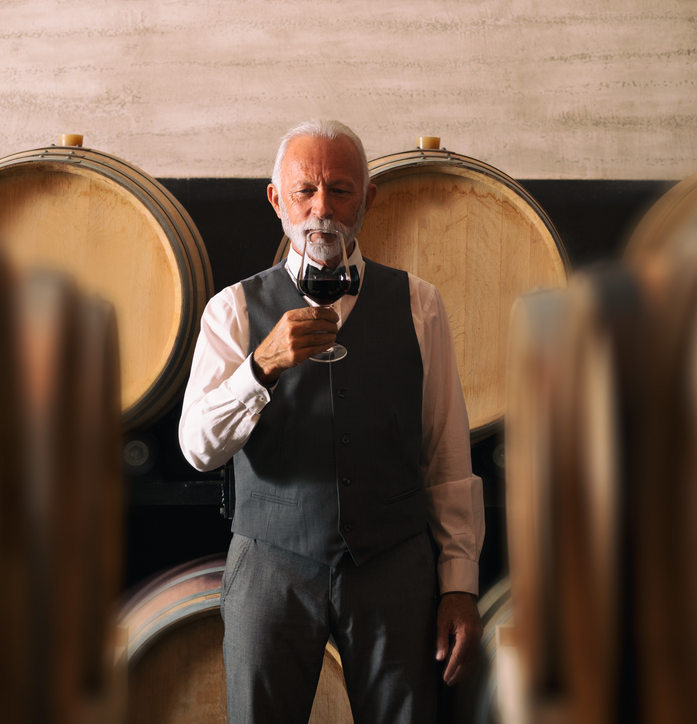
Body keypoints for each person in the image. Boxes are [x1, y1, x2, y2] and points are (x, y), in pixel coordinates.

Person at [178, 119, 484, 724]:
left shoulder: (420, 304)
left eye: (341, 190)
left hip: (393, 565)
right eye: (305, 191)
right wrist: (260, 365)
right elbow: (196, 449)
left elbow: (445, 455)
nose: (323, 209)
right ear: (276, 201)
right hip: (271, 564)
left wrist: (459, 583)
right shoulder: (232, 310)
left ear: (368, 199)